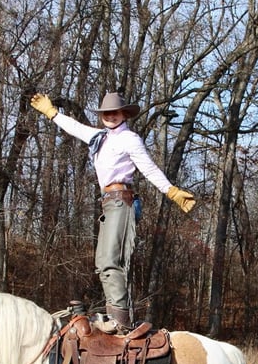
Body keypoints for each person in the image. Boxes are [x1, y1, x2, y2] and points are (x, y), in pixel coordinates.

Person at [31, 91, 196, 333]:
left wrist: (171, 191)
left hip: (121, 200)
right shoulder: (99, 137)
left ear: (123, 114)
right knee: (102, 262)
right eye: (105, 113)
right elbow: (74, 127)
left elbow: (148, 169)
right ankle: (116, 315)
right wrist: (52, 113)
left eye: (114, 112)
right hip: (108, 202)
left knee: (111, 260)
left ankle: (122, 322)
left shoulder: (130, 139)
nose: (110, 116)